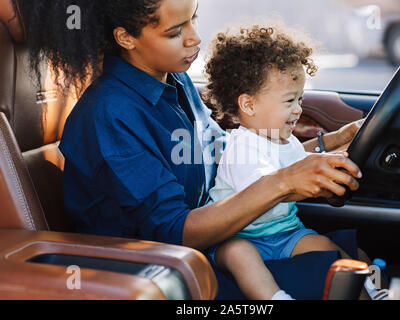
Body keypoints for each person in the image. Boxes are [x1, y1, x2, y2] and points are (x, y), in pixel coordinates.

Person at [19, 0, 367, 299]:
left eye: (193, 19)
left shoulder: (176, 79)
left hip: (214, 244)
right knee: (341, 277)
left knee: (354, 258)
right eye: (174, 32)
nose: (194, 38)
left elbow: (230, 158)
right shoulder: (109, 114)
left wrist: (328, 143)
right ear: (126, 37)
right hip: (162, 273)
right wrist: (284, 182)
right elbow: (176, 230)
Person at [204, 25, 370, 300]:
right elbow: (267, 186)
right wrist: (318, 178)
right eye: (289, 100)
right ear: (249, 105)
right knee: (239, 255)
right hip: (238, 237)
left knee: (325, 246)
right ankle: (274, 297)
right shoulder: (242, 146)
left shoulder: (283, 138)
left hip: (284, 233)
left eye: (300, 98)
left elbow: (298, 164)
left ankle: (372, 290)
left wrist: (333, 150)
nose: (298, 109)